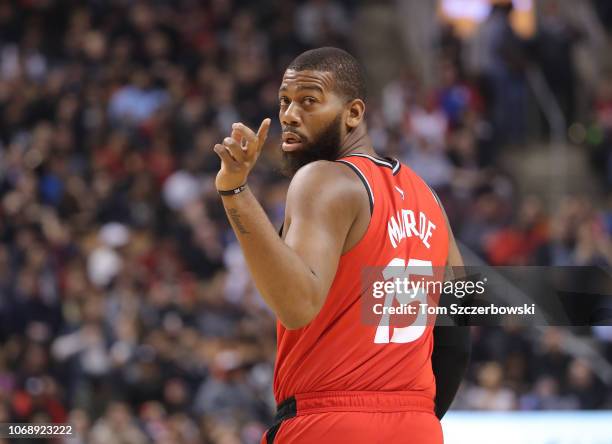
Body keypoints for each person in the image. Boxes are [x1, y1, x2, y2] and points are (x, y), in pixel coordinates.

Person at [212, 47, 470, 443]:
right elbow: (456, 334)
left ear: (353, 113)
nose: (289, 115)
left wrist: (235, 191)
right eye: (284, 101)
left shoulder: (323, 179)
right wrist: (412, 419)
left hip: (329, 420)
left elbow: (297, 305)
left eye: (309, 101)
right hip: (417, 427)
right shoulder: (428, 199)